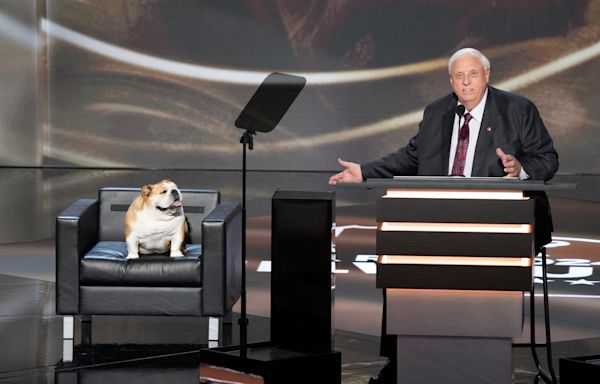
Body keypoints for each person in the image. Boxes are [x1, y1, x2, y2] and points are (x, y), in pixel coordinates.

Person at [329, 47, 558, 384]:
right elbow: (410, 157)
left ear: (487, 76)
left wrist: (521, 168)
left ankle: (481, 362)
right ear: (451, 81)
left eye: (473, 74)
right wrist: (363, 172)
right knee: (402, 259)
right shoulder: (437, 112)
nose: (466, 82)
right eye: (459, 76)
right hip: (434, 219)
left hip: (497, 226)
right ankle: (402, 359)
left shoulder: (517, 110)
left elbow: (548, 159)